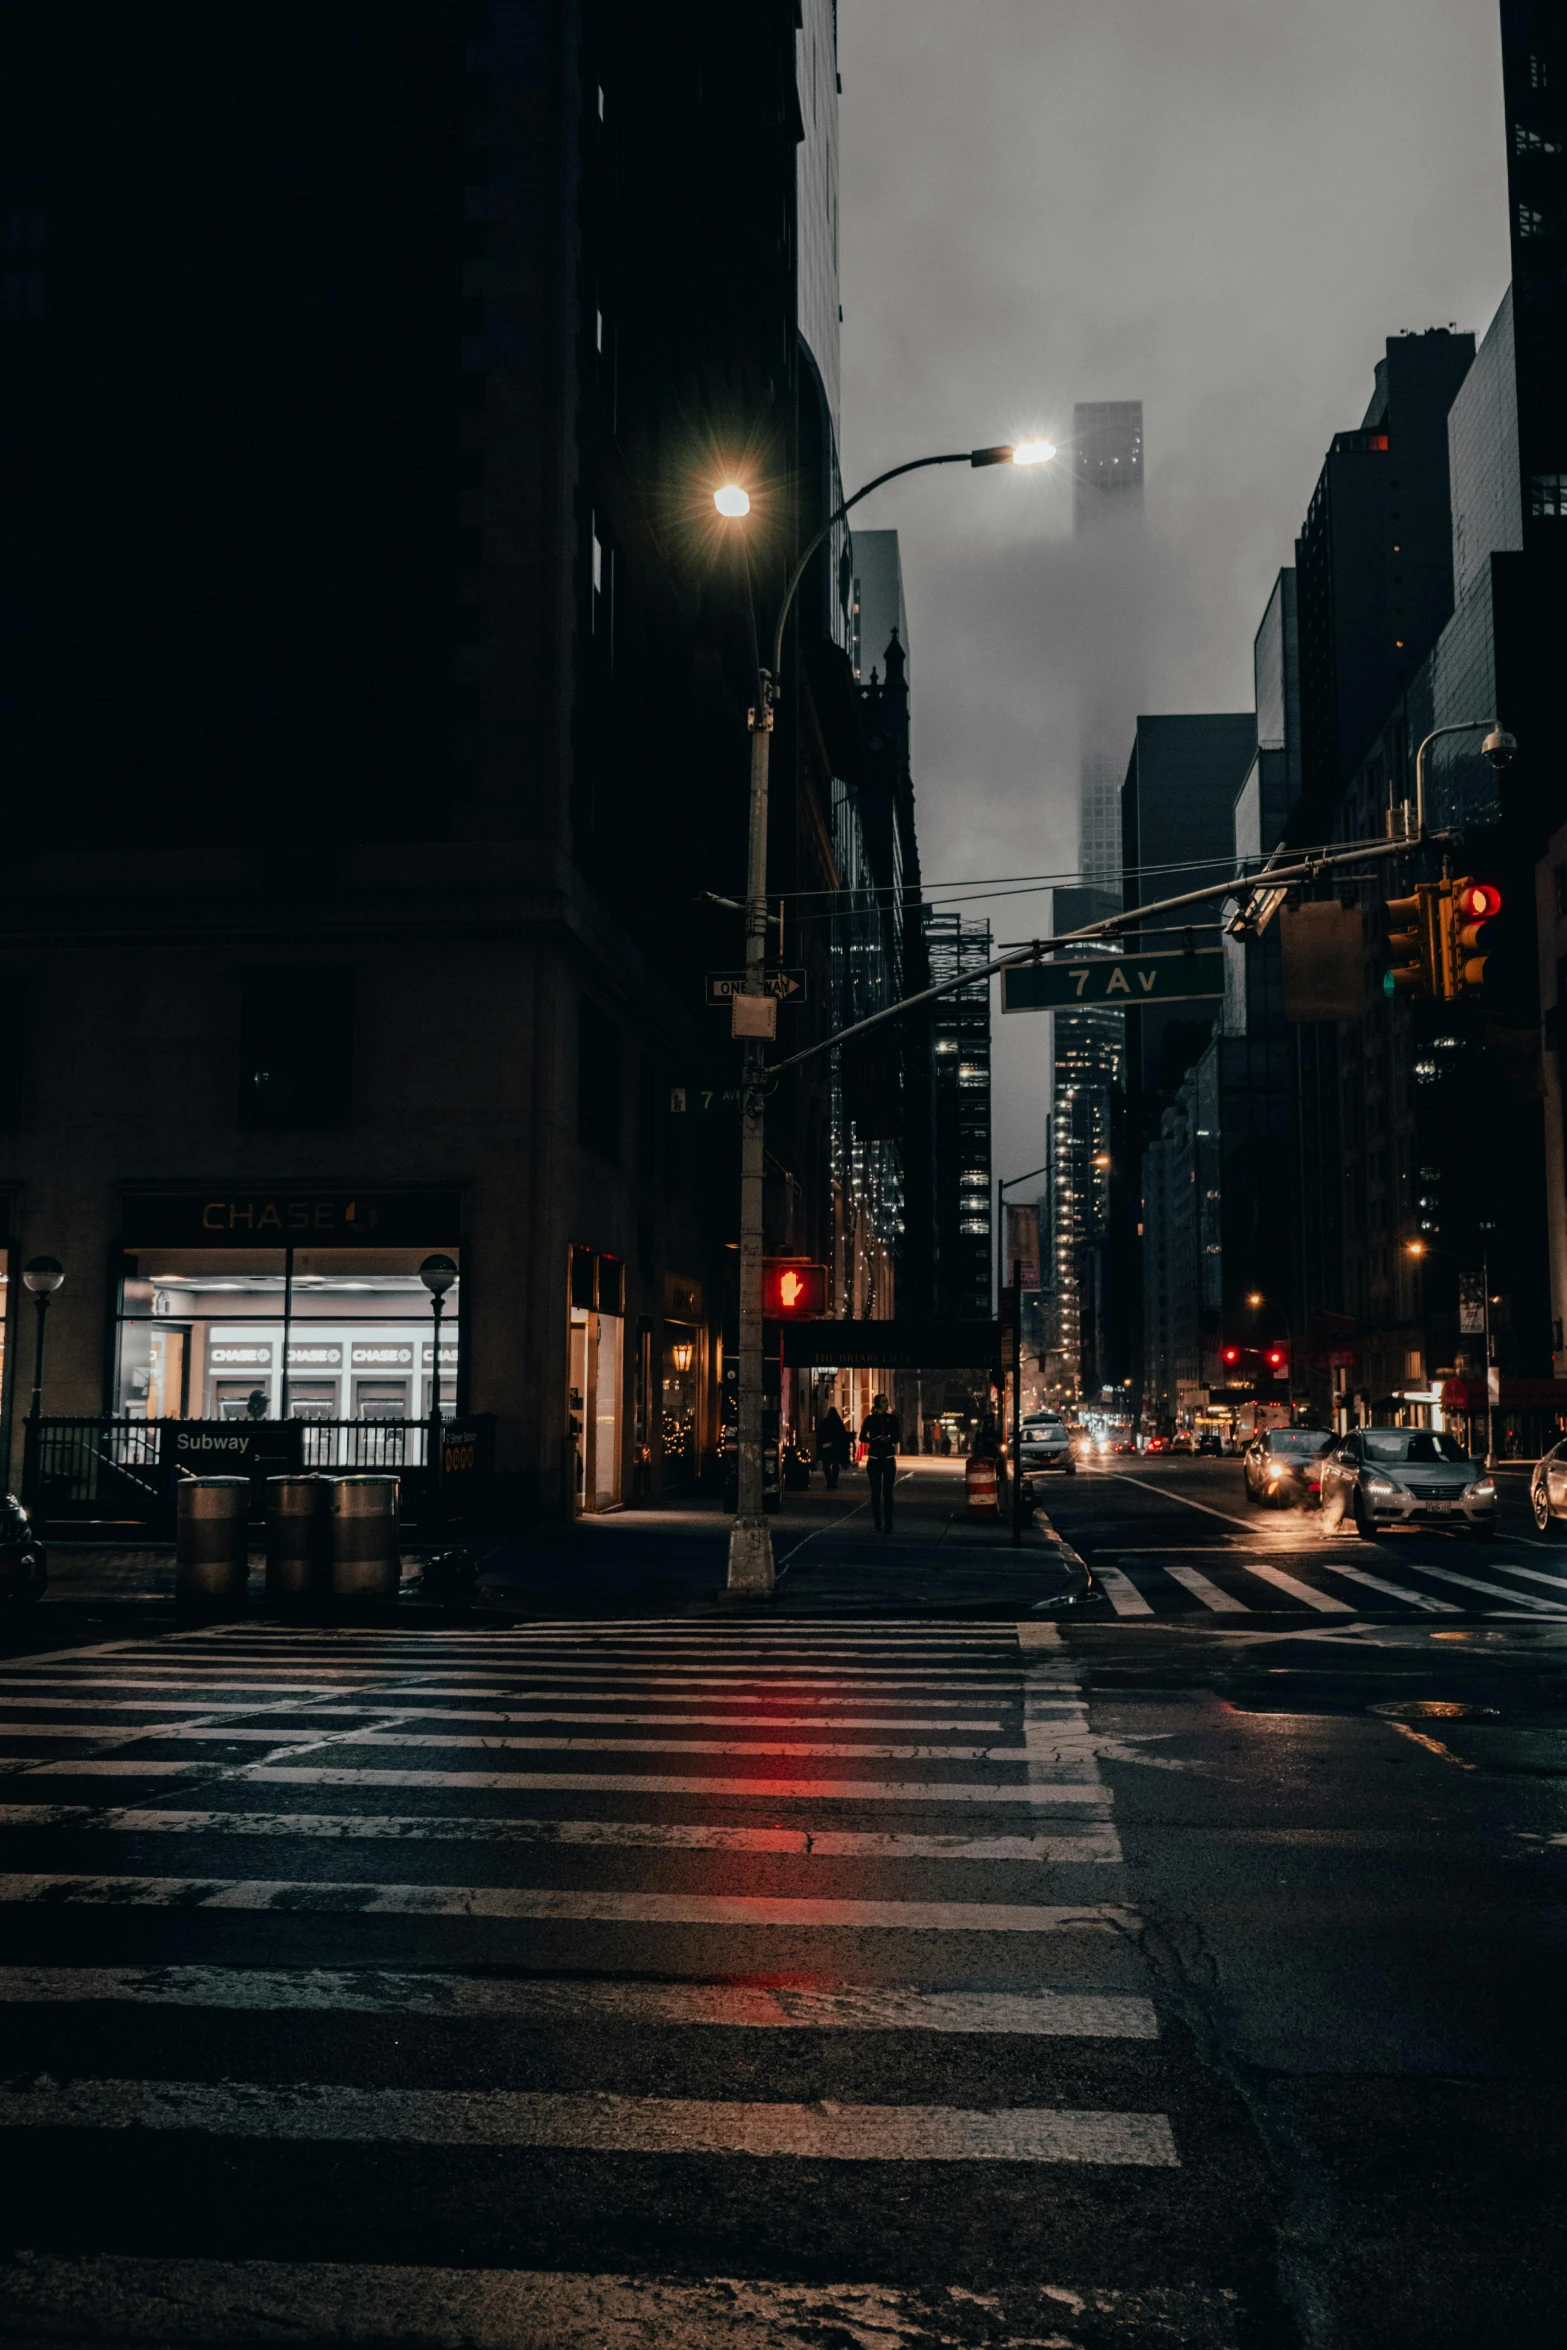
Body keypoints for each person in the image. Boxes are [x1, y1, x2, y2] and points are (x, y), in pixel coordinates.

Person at [858, 1392, 902, 1532]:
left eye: (887, 1401)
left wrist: (889, 1439)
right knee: (875, 1491)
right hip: (875, 1458)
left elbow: (896, 1437)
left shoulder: (892, 1419)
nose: (886, 1404)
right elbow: (862, 1437)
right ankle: (877, 1522)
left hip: (888, 1457)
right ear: (877, 1404)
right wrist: (875, 1440)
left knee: (888, 1492)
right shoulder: (870, 1419)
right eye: (883, 1402)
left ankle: (888, 1522)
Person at [816, 1403, 850, 1490]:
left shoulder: (824, 1423)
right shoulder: (839, 1423)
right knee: (835, 1465)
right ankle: (833, 1482)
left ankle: (829, 1481)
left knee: (826, 1465)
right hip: (836, 1448)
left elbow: (820, 1435)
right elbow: (843, 1436)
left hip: (827, 1447)